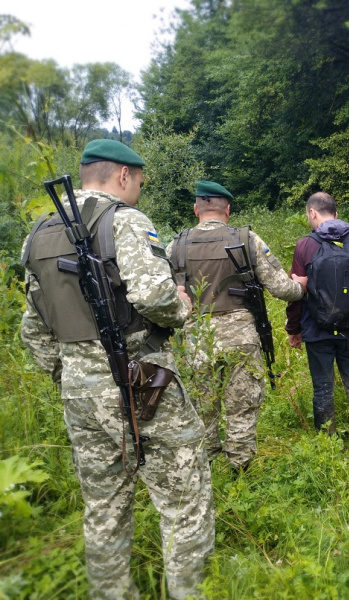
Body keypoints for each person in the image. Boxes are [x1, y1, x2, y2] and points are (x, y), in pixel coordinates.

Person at [20, 139, 214, 599]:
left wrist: (69, 372)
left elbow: (34, 328)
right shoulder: (124, 221)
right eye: (140, 183)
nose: (139, 191)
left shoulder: (40, 232)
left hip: (78, 394)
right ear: (123, 176)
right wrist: (182, 307)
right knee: (185, 502)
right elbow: (153, 297)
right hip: (141, 383)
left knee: (103, 508)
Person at [167, 180, 304, 472]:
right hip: (240, 338)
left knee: (203, 406)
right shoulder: (246, 239)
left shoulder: (175, 245)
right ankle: (240, 469)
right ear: (228, 209)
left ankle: (208, 465)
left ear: (196, 209)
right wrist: (301, 288)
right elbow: (281, 288)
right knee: (242, 405)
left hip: (195, 340)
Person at [286, 192, 349, 454]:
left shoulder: (305, 246)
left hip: (317, 329)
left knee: (322, 388)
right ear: (335, 211)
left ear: (313, 213)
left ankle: (328, 449)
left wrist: (294, 329)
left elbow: (297, 293)